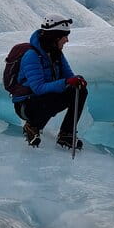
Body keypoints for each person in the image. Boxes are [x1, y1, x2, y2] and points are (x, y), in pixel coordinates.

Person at [12, 14, 88, 148]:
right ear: (55, 37)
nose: (67, 40)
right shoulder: (32, 56)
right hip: (26, 105)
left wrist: (77, 80)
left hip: (43, 100)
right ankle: (32, 126)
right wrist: (66, 82)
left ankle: (66, 134)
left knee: (79, 91)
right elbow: (38, 88)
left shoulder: (57, 54)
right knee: (53, 96)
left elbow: (69, 76)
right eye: (65, 36)